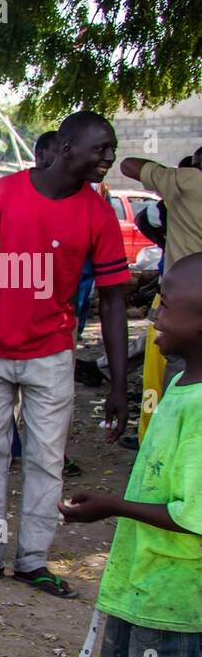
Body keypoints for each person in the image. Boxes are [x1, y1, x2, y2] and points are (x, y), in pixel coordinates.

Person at [0, 110, 131, 599]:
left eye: (111, 150)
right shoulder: (6, 194)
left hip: (52, 355)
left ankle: (32, 560)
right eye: (101, 149)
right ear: (68, 148)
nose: (108, 159)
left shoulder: (97, 212)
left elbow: (114, 299)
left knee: (45, 459)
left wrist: (118, 385)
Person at [54, 252, 202, 657]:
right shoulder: (180, 378)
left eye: (168, 303)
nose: (155, 311)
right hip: (139, 582)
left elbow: (195, 514)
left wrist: (113, 507)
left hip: (176, 597)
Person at [121, 143, 202, 440]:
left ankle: (164, 442)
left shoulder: (189, 182)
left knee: (175, 373)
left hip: (185, 299)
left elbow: (128, 164)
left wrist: (171, 177)